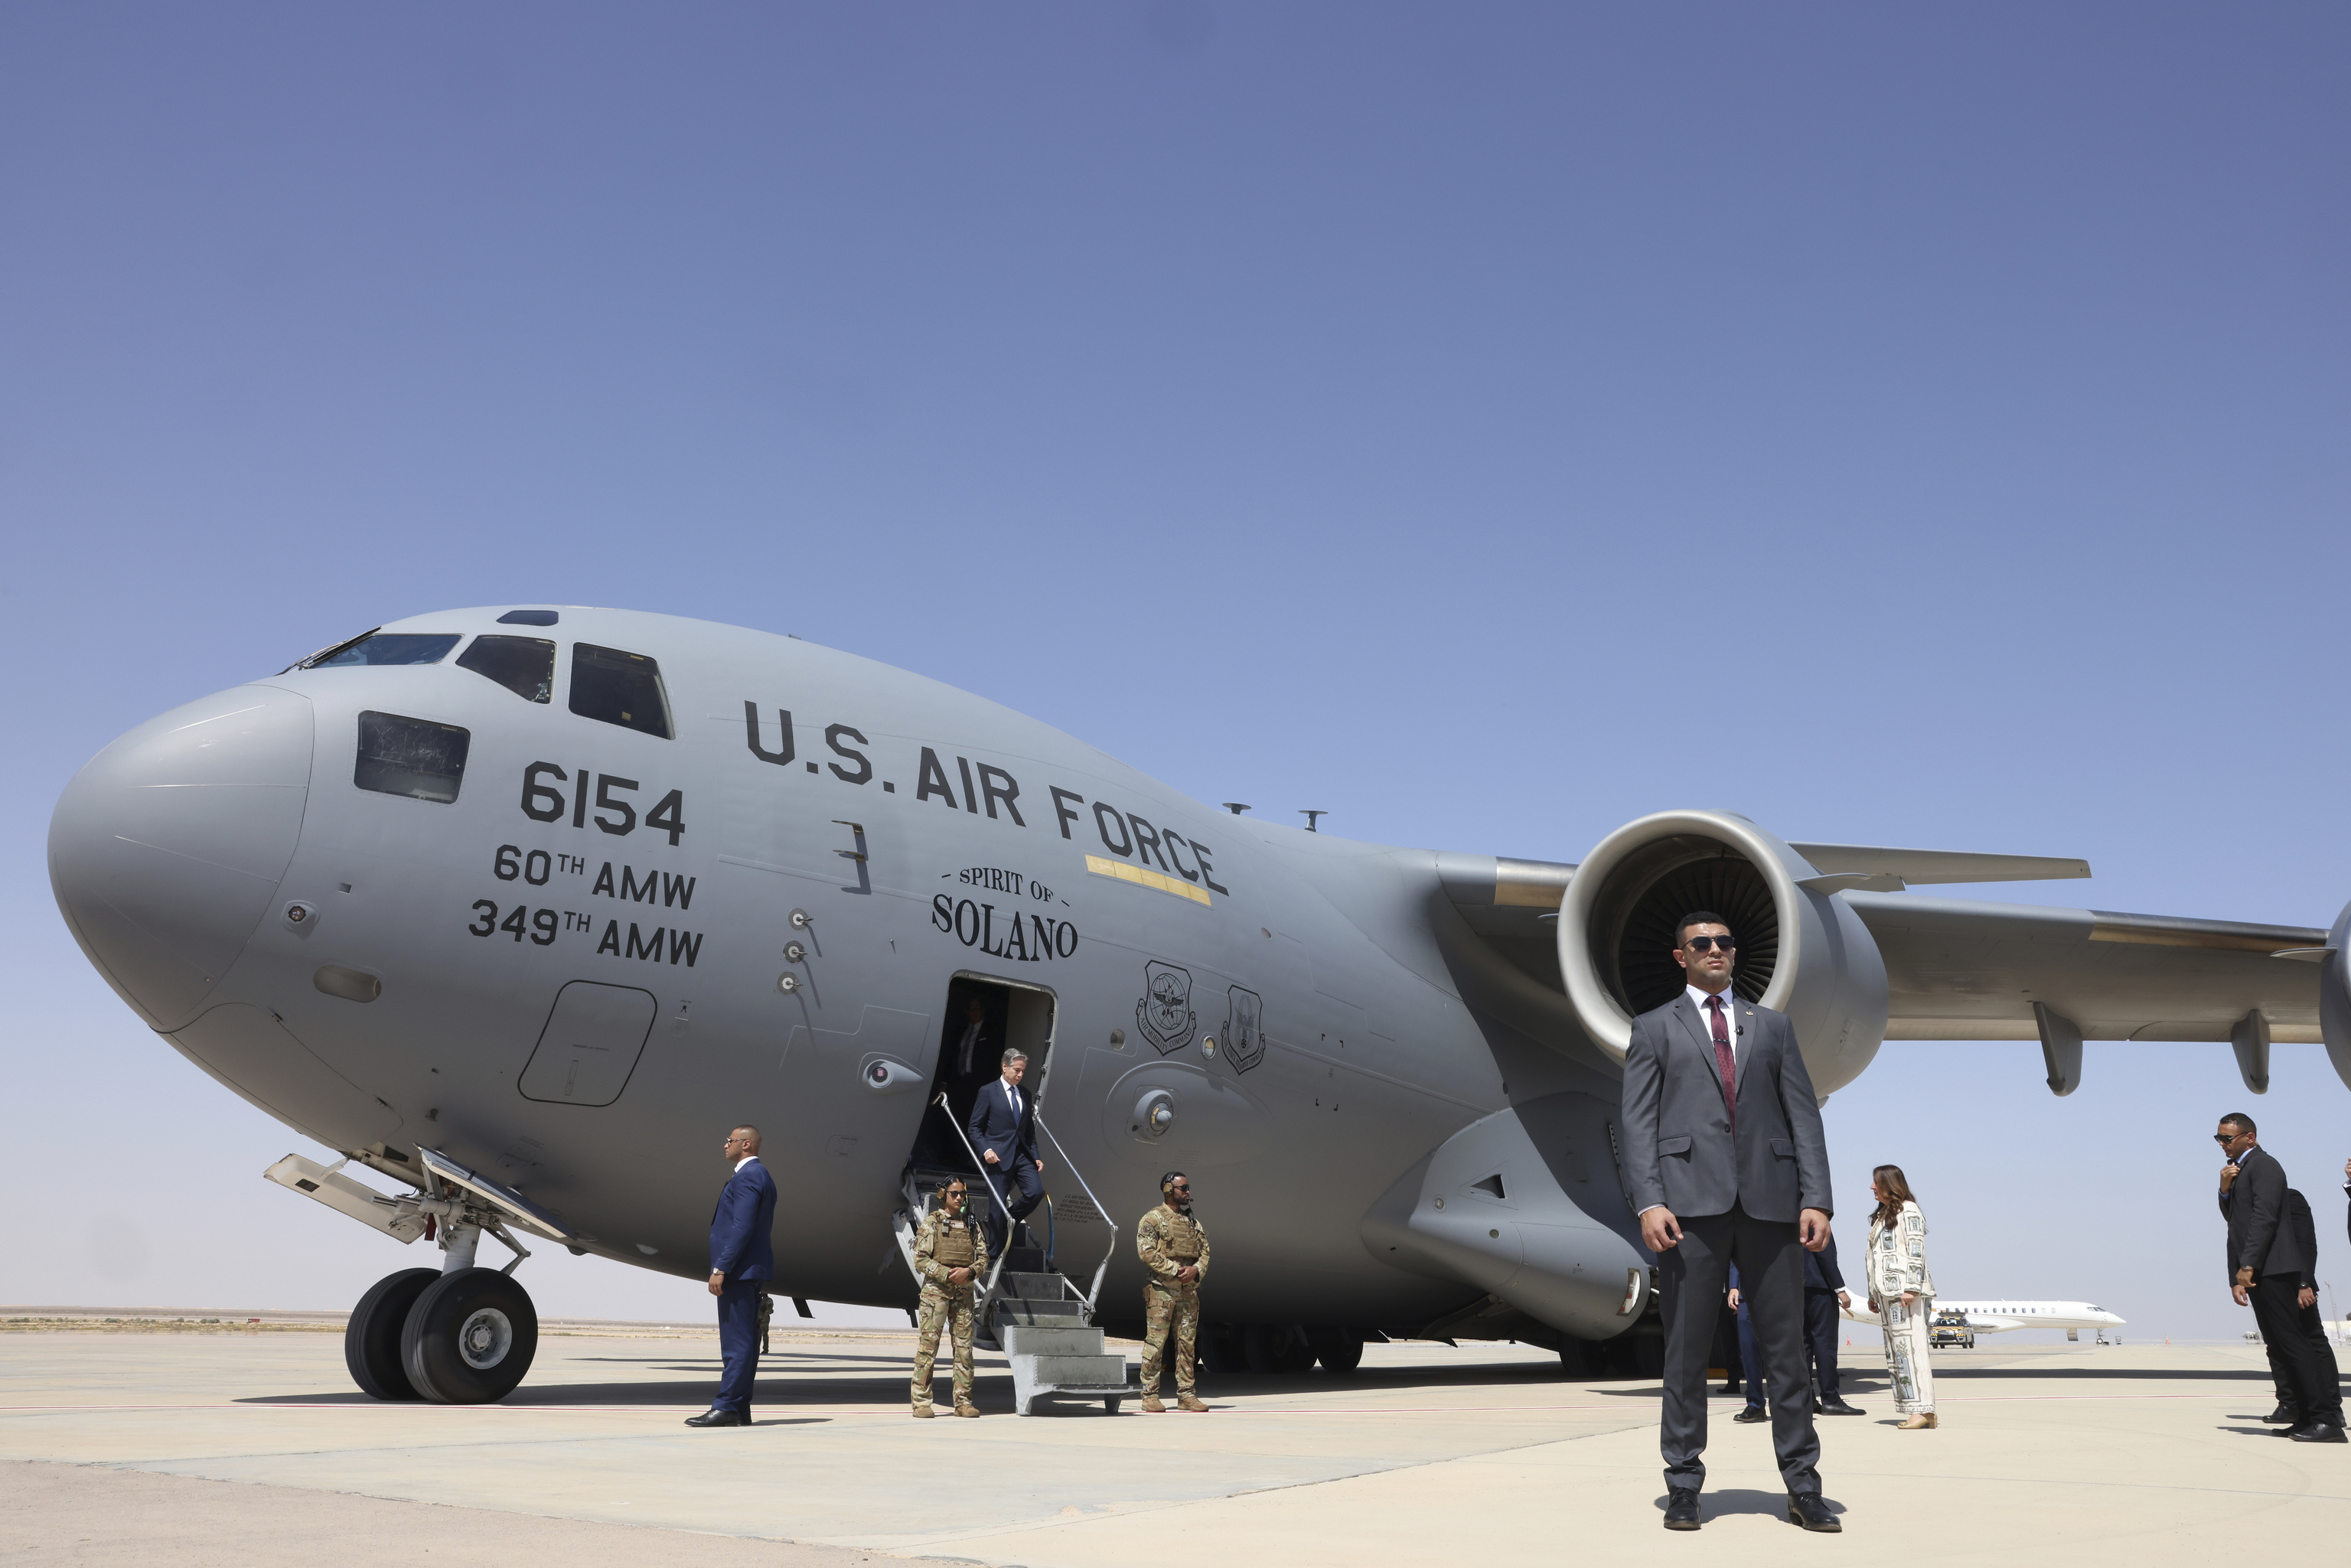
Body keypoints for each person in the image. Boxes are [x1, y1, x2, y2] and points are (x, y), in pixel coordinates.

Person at [1620, 912, 1838, 1534]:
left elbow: (1804, 1115)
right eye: (1701, 943)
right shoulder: (1654, 1028)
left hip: (1773, 1206)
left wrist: (1816, 1197)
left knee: (1787, 1354)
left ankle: (1803, 1484)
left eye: (1723, 942)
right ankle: (1684, 1483)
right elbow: (1638, 1124)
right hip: (1688, 1208)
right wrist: (1648, 1201)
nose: (1714, 950)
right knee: (1686, 1354)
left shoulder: (1773, 1027)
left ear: (1734, 954)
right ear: (1680, 955)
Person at [2215, 1113, 2344, 1442]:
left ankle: (2326, 1419)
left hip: (2273, 1269)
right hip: (2263, 1270)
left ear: (2250, 1137)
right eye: (2219, 1139)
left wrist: (2249, 1265)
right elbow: (2237, 1222)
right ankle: (2304, 1416)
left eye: (2228, 1138)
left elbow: (2264, 1219)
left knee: (2296, 1345)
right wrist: (2225, 1190)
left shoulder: (2264, 1166)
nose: (2223, 1145)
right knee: (2282, 1346)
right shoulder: (2241, 1171)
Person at [686, 1123, 778, 1428]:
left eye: (730, 1141)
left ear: (746, 1145)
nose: (725, 1145)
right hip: (748, 1270)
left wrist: (721, 1268)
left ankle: (726, 1406)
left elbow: (742, 1226)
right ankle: (739, 1408)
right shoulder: (759, 1176)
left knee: (736, 1343)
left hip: (738, 1271)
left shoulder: (750, 1176)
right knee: (747, 1342)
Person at [1730, 1233, 1860, 1423]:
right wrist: (1839, 1288)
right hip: (1815, 1287)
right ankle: (1830, 1398)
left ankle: (1805, 1399)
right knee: (1824, 1343)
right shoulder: (1813, 1222)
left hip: (1793, 1288)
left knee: (1802, 1346)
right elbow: (1824, 1254)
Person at [908, 1176, 989, 1419]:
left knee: (964, 1350)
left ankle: (963, 1402)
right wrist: (947, 1274)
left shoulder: (972, 1226)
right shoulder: (932, 1223)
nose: (959, 1198)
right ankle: (921, 1402)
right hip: (936, 1295)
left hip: (963, 1295)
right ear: (944, 1195)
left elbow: (983, 1259)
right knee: (928, 1348)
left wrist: (969, 1272)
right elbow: (920, 1259)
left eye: (962, 1194)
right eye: (954, 1193)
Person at [1865, 1165, 1937, 1430]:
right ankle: (1917, 1410)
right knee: (1898, 1353)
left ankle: (1923, 1410)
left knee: (1912, 1350)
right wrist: (1874, 1292)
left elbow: (1917, 1251)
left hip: (1905, 1294)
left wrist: (1911, 1288)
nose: (1872, 1187)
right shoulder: (1886, 1214)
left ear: (1889, 1184)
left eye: (1875, 1182)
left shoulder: (1909, 1211)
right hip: (1888, 1294)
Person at [1136, 1171, 1211, 1413]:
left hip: (1189, 1292)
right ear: (1169, 1190)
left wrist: (1196, 1270)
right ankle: (1149, 1396)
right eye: (1183, 1188)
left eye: (1188, 1187)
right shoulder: (1153, 1219)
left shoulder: (1192, 1222)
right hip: (1162, 1291)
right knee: (1156, 1343)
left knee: (1187, 1343)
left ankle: (1187, 1396)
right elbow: (1146, 1252)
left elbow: (1205, 1252)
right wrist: (1177, 1270)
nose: (1188, 1192)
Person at [968, 1048, 1045, 1255]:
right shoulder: (988, 1091)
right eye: (1017, 1070)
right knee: (997, 1203)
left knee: (1035, 1193)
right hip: (997, 1156)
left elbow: (1029, 1131)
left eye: (1023, 1072)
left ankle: (1007, 1221)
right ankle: (993, 1254)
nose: (1020, 1075)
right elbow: (974, 1128)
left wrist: (1035, 1156)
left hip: (1022, 1155)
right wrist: (986, 1150)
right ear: (1005, 1067)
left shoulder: (1025, 1094)